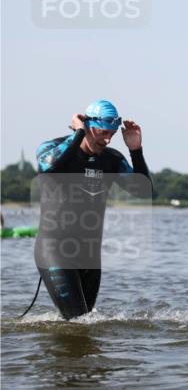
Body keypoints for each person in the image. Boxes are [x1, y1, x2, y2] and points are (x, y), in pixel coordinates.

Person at [34, 100, 150, 319]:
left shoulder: (112, 159)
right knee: (78, 321)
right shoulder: (51, 148)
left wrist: (136, 150)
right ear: (87, 125)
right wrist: (78, 134)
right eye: (103, 133)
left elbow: (144, 192)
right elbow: (48, 167)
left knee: (85, 322)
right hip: (55, 250)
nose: (107, 140)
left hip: (89, 254)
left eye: (112, 135)